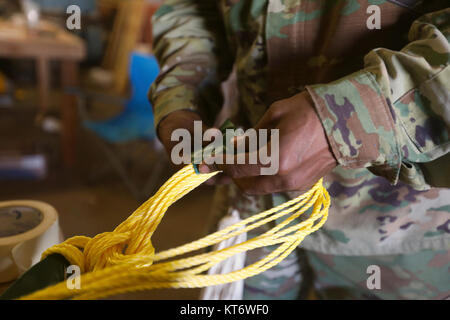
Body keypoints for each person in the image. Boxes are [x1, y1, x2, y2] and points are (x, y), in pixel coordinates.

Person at [149, 0, 450, 299]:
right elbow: (193, 6)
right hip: (252, 214)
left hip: (405, 230)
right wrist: (182, 93)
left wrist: (345, 120)